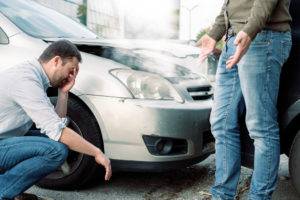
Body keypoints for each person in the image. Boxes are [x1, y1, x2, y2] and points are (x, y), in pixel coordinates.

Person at [198, 0, 292, 199]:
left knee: (261, 126)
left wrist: (250, 30)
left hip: (262, 36)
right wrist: (215, 33)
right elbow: (229, 4)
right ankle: (222, 195)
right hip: (233, 40)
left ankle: (258, 197)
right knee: (221, 123)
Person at [0, 40, 112, 200]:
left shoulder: (34, 76)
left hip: (5, 138)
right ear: (57, 61)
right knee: (56, 150)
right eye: (71, 70)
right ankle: (3, 189)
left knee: (59, 142)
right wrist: (97, 153)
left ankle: (11, 189)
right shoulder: (26, 80)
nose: (71, 76)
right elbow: (58, 132)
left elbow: (56, 125)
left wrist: (63, 93)